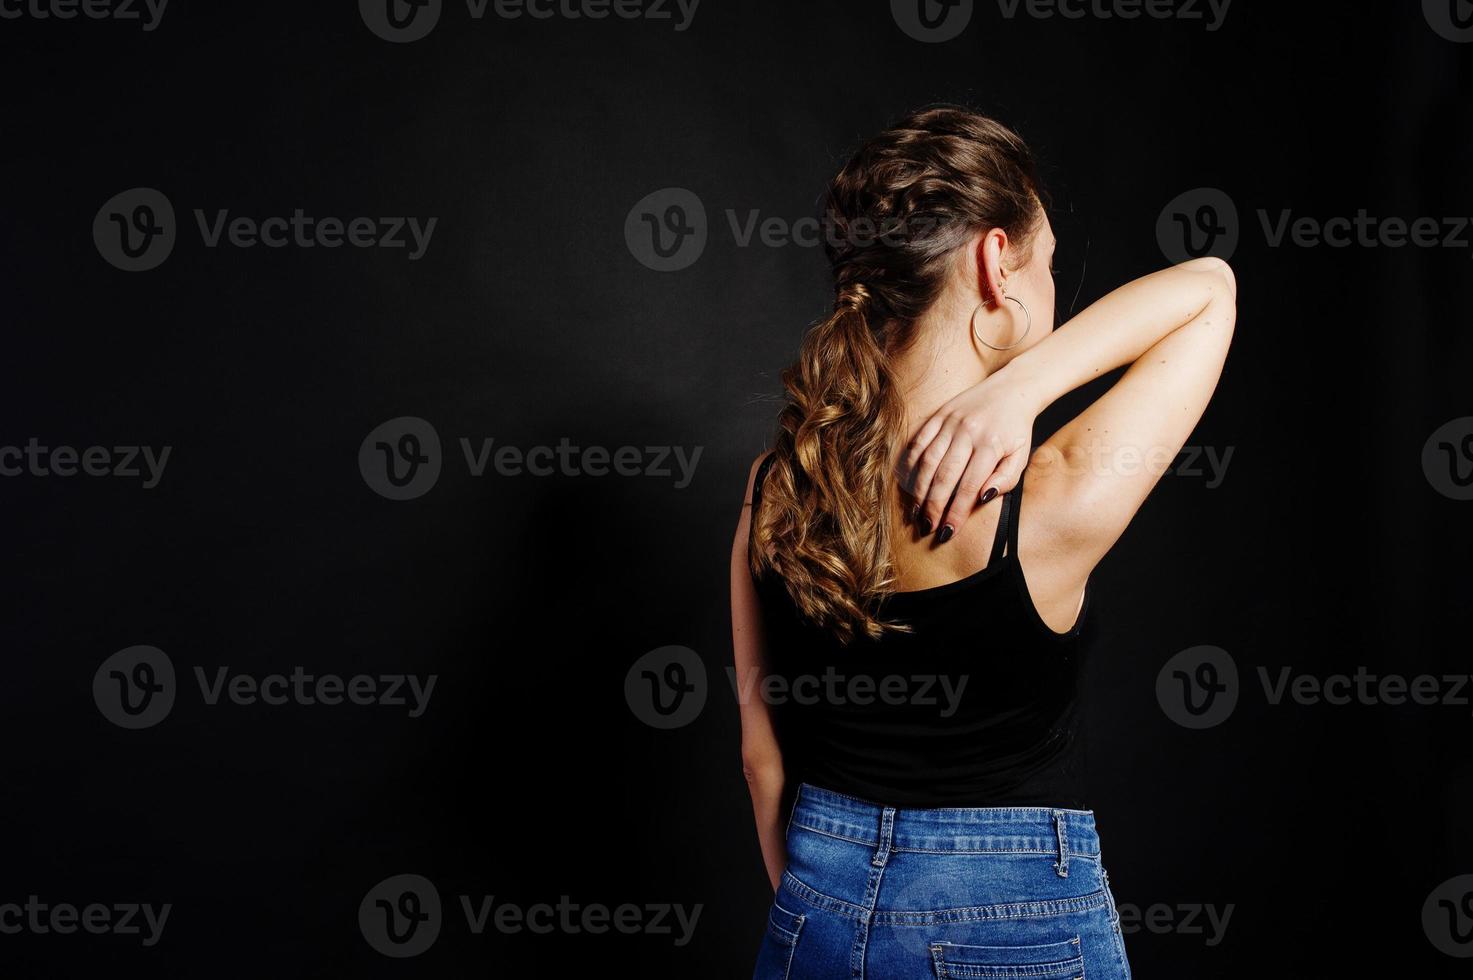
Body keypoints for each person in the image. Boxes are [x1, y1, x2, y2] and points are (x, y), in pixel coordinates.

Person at [730, 105, 1235, 979]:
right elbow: (1209, 288)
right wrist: (1026, 389)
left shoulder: (777, 484)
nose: (1051, 291)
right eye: (1041, 264)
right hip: (1013, 920)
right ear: (995, 263)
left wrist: (824, 911)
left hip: (818, 901)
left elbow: (758, 755)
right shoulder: (1049, 493)